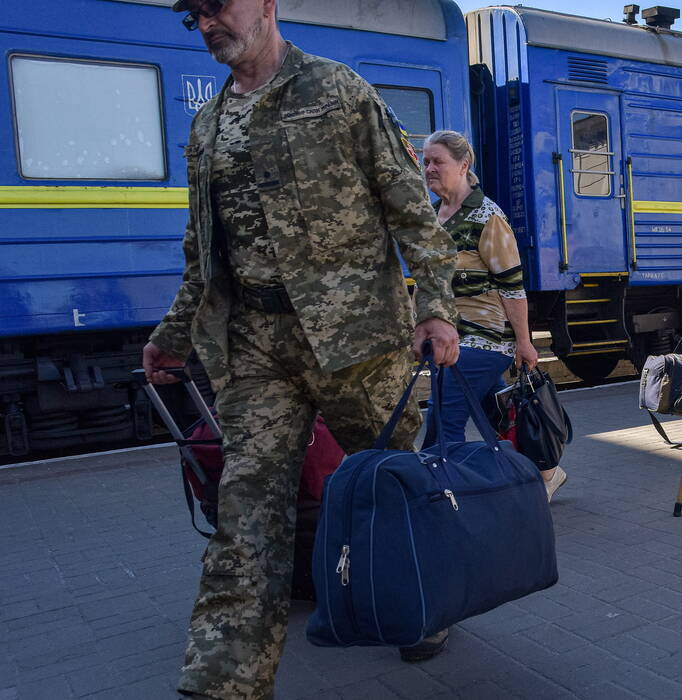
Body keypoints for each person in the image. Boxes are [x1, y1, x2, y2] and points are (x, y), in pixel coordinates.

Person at [144, 1, 459, 697]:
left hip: (359, 342)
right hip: (257, 346)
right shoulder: (207, 124)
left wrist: (435, 310)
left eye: (217, 6)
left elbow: (411, 208)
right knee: (246, 514)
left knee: (396, 487)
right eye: (194, 15)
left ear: (266, 3)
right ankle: (224, 685)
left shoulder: (338, 90)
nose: (207, 25)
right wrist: (170, 338)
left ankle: (426, 607)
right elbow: (203, 256)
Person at [417, 129, 566, 501]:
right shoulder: (435, 215)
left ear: (463, 164)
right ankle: (548, 472)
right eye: (426, 161)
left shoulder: (487, 216)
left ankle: (441, 500)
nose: (429, 168)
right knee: (498, 416)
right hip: (447, 336)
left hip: (482, 338)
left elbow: (512, 286)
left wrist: (525, 342)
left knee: (442, 421)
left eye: (438, 161)